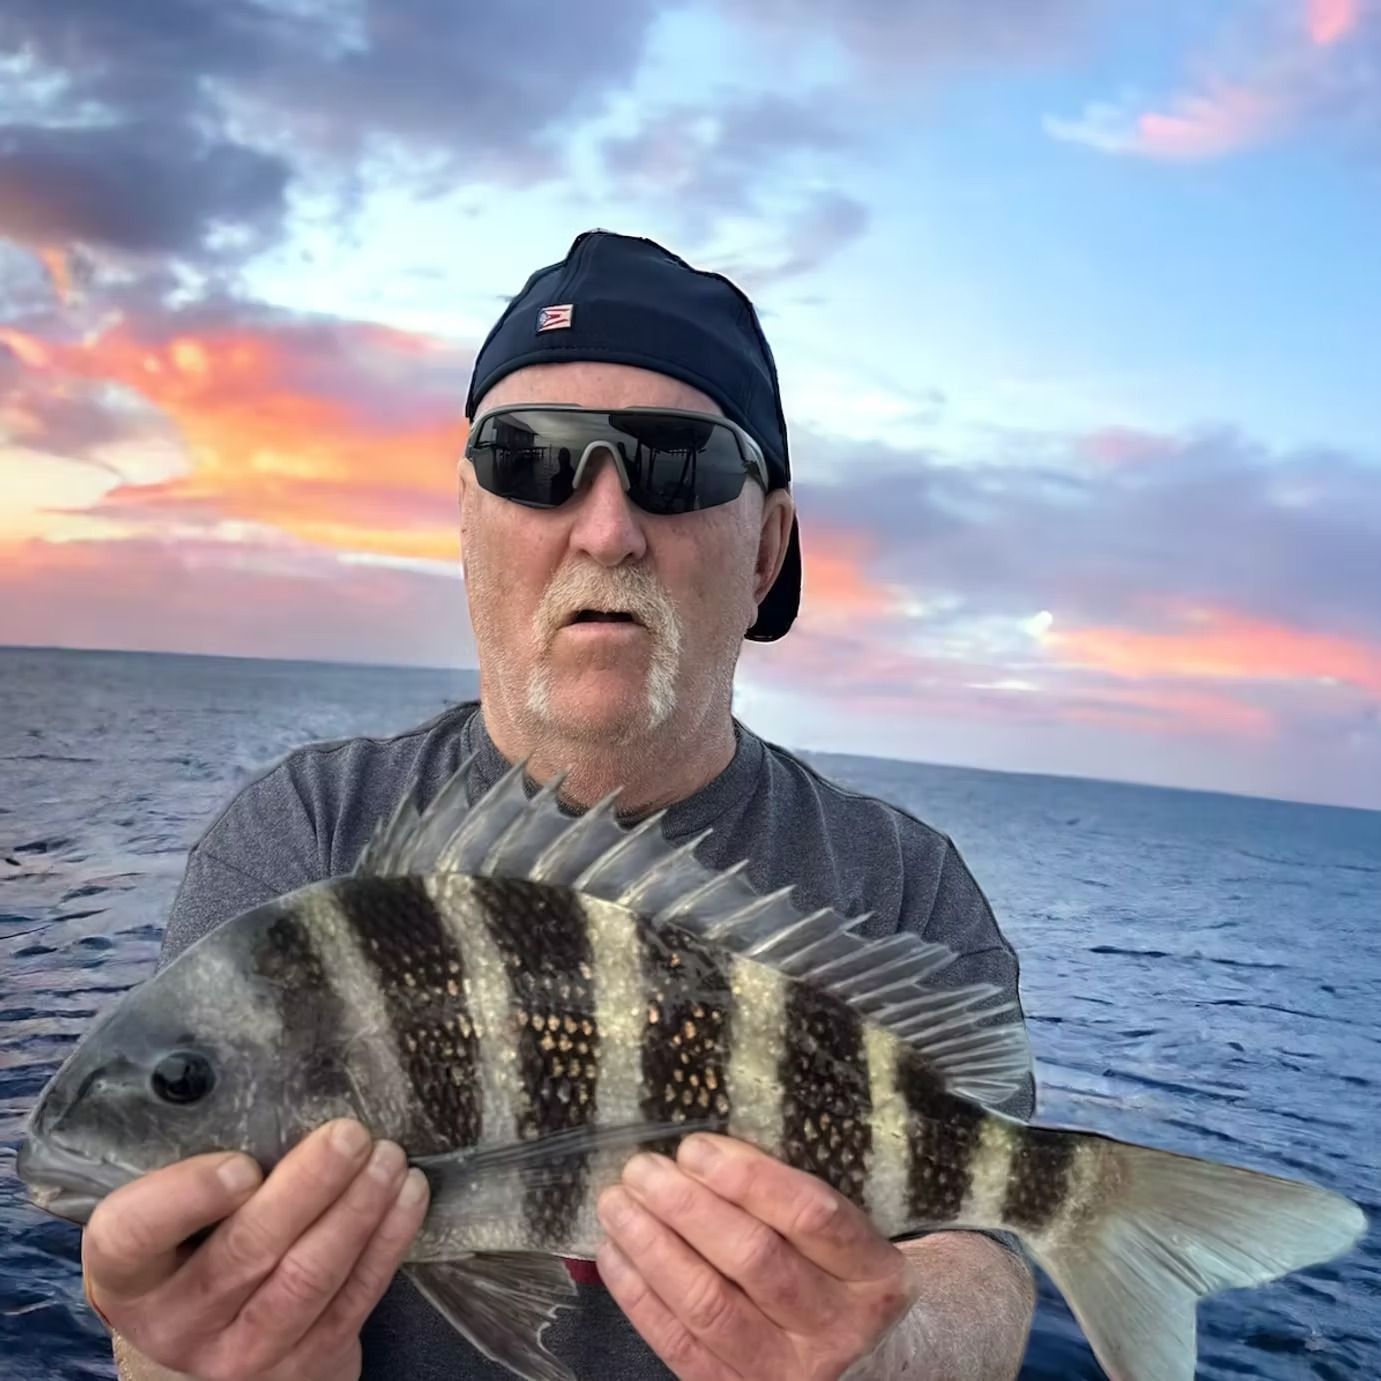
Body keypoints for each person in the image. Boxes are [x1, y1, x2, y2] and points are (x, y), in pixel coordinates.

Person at [84, 229, 1039, 1381]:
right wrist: (198, 1361)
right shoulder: (306, 832)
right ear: (468, 519)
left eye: (677, 466)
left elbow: (982, 1256)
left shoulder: (898, 881)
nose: (605, 528)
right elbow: (172, 1292)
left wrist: (885, 1357)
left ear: (765, 548)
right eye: (528, 460)